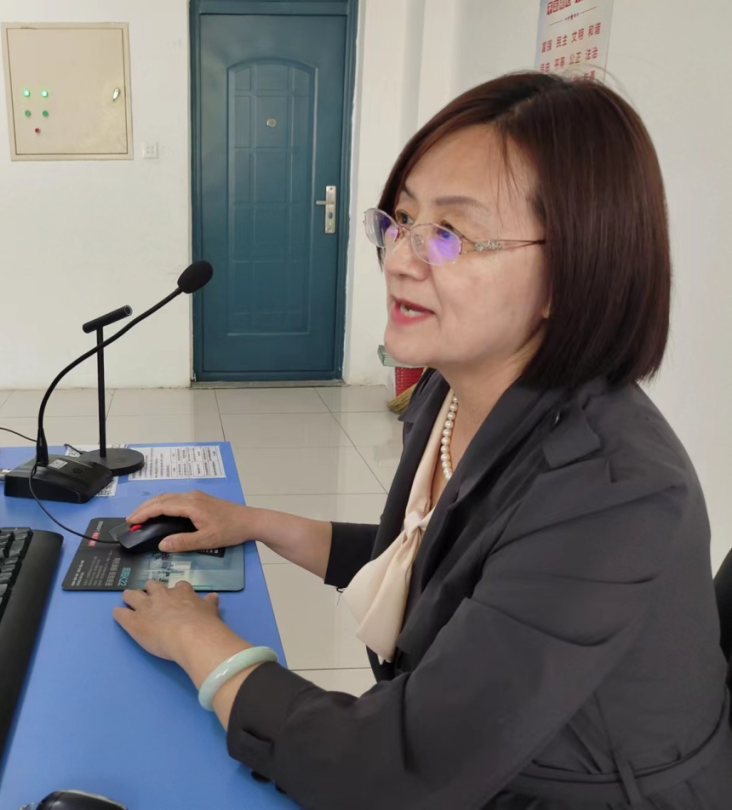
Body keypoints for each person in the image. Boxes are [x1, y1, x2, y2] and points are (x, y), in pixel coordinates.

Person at [112, 72, 732, 809]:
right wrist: (253, 523)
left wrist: (197, 641)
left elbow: (393, 771)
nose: (401, 257)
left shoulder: (613, 493)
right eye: (402, 219)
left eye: (450, 234)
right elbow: (425, 562)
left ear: (571, 272)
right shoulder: (451, 385)